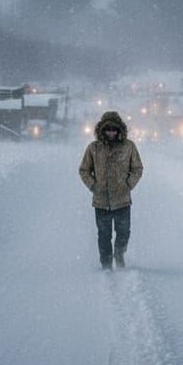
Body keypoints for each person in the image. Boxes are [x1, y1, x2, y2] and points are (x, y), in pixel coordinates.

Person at [78, 111, 144, 270]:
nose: (111, 132)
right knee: (103, 236)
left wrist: (128, 185)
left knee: (123, 233)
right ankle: (106, 265)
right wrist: (93, 186)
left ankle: (119, 256)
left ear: (120, 130)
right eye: (108, 129)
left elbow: (137, 168)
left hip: (122, 200)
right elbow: (84, 170)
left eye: (114, 129)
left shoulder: (129, 146)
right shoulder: (93, 148)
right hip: (101, 201)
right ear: (102, 130)